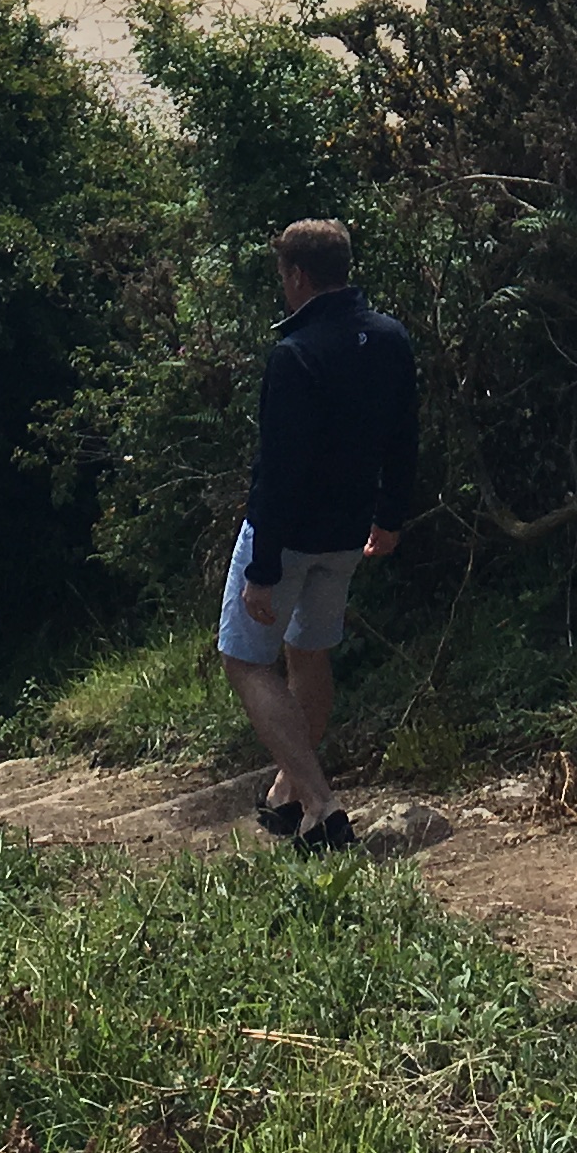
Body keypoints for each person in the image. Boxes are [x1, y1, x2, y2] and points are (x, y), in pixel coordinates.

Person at [219, 215, 421, 853]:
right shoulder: (389, 337)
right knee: (309, 653)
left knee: (245, 660)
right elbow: (404, 437)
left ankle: (322, 805)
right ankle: (287, 797)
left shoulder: (296, 353)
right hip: (348, 532)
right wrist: (390, 517)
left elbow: (279, 468)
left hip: (288, 535)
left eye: (283, 275)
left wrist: (262, 569)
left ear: (298, 276)